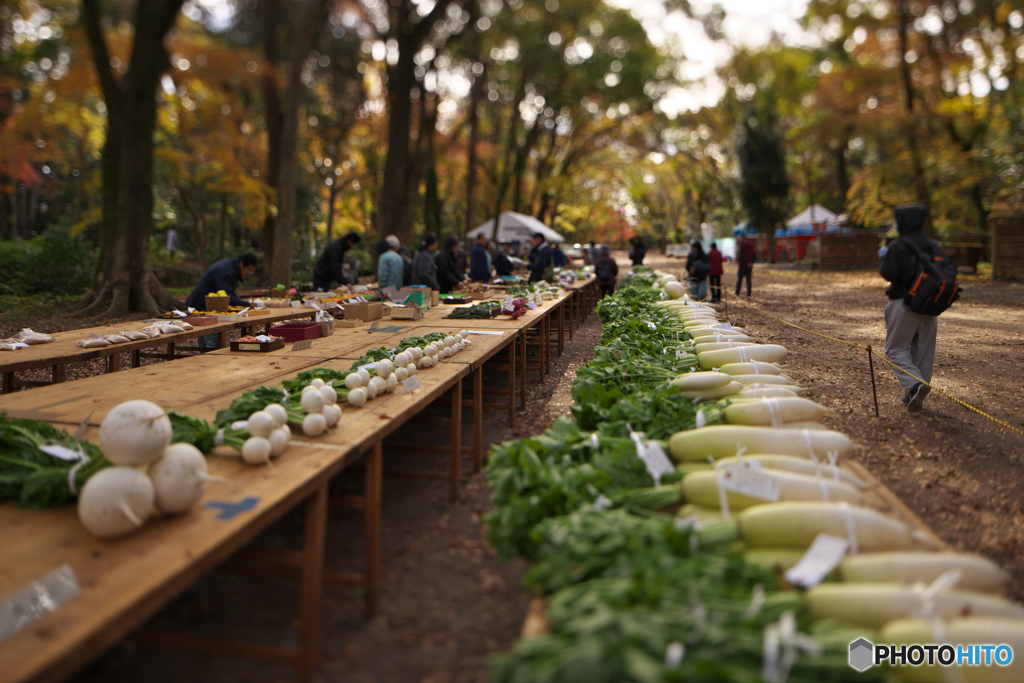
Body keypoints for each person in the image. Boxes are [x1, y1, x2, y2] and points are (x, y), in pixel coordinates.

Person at [880, 204, 943, 413]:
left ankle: (914, 386)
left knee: (895, 349)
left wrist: (884, 257)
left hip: (903, 304)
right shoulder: (934, 246)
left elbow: (888, 273)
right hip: (931, 305)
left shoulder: (899, 246)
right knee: (923, 350)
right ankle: (914, 394)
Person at [185, 253, 258, 351]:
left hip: (206, 306)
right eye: (249, 269)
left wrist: (241, 301)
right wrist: (247, 304)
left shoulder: (231, 267)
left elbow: (228, 292)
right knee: (212, 342)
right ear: (241, 264)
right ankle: (210, 363)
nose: (249, 273)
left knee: (205, 342)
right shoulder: (225, 271)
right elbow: (226, 297)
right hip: (206, 307)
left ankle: (204, 360)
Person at [735, 233, 755, 297]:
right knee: (748, 280)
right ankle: (749, 293)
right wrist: (751, 262)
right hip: (749, 266)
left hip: (743, 265)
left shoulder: (742, 245)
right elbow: (755, 255)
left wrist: (747, 262)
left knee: (740, 279)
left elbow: (742, 255)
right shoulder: (751, 244)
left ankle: (737, 292)